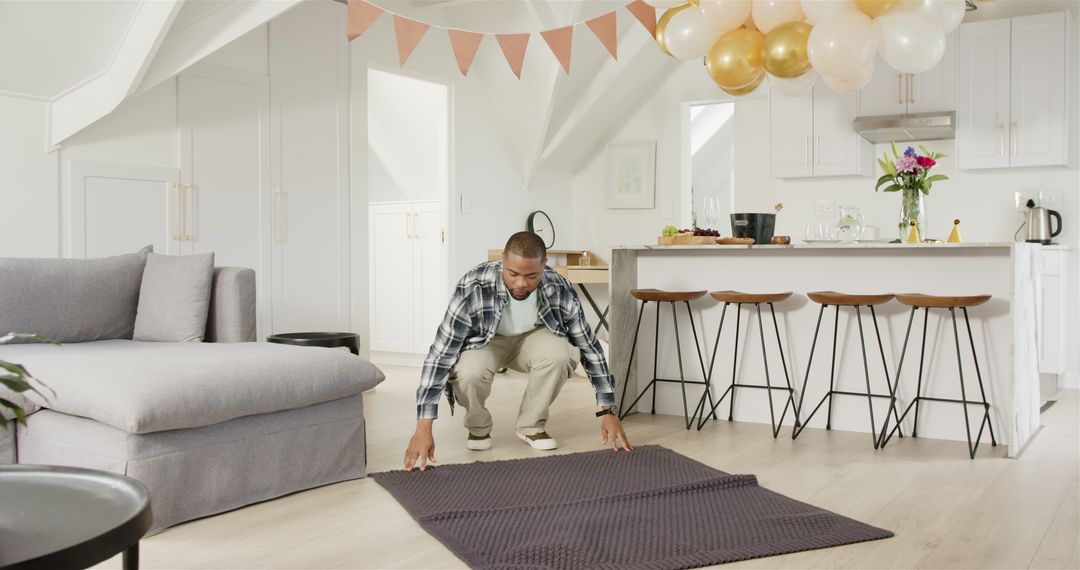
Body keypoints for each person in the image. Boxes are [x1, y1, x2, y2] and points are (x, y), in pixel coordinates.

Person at [404, 231, 633, 471]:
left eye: (531, 276)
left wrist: (608, 410)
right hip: (486, 343)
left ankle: (531, 427)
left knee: (562, 354)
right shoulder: (473, 286)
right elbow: (440, 356)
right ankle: (478, 428)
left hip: (531, 339)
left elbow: (589, 346)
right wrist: (423, 429)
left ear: (544, 266)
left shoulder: (558, 286)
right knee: (469, 371)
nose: (521, 283)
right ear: (503, 261)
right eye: (513, 273)